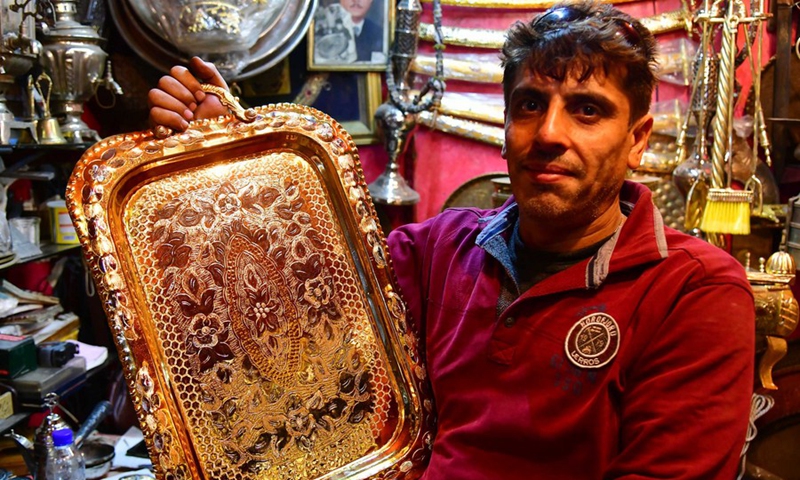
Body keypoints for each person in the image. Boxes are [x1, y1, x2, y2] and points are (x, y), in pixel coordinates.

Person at [148, 1, 755, 478]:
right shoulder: (439, 249)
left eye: (587, 110)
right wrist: (222, 164)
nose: (549, 133)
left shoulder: (695, 291)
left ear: (638, 138)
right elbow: (280, 316)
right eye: (529, 104)